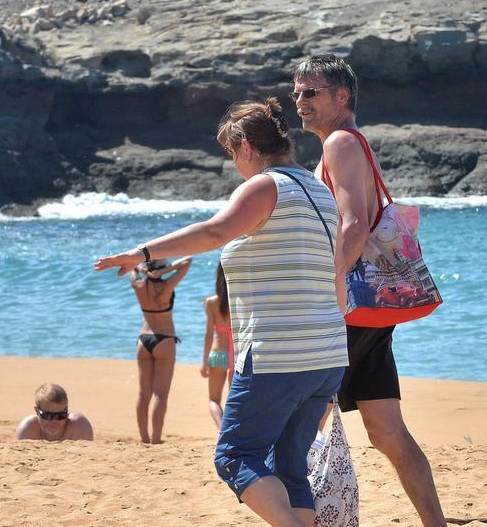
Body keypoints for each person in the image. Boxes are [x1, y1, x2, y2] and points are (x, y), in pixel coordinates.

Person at [95, 96, 347, 526]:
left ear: (246, 147)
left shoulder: (265, 186)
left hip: (277, 355)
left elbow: (214, 232)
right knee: (291, 466)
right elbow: (337, 278)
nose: (235, 165)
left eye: (232, 154)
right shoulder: (319, 192)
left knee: (235, 456)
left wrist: (142, 252)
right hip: (326, 354)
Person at [294, 54, 447, 526]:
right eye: (297, 91)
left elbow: (355, 224)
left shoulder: (340, 142)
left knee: (300, 420)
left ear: (342, 96)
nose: (300, 101)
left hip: (351, 308)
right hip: (372, 311)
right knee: (386, 430)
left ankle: (301, 518)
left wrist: (328, 288)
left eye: (311, 92)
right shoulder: (347, 141)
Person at [131, 255, 192, 444]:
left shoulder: (139, 286)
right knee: (161, 394)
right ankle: (156, 440)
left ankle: (144, 438)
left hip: (143, 339)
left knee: (143, 394)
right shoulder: (167, 286)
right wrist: (165, 271)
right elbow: (188, 261)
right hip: (164, 340)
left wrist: (141, 269)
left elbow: (130, 267)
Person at [200, 263, 235, 428]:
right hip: (237, 355)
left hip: (218, 354)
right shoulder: (238, 300)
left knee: (214, 400)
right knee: (233, 400)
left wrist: (204, 362)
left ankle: (221, 430)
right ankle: (230, 432)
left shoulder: (211, 302)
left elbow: (208, 334)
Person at [15, 383, 94, 441]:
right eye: (47, 415)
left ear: (66, 411)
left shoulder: (79, 426)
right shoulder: (28, 428)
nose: (54, 421)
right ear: (37, 411)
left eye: (60, 415)